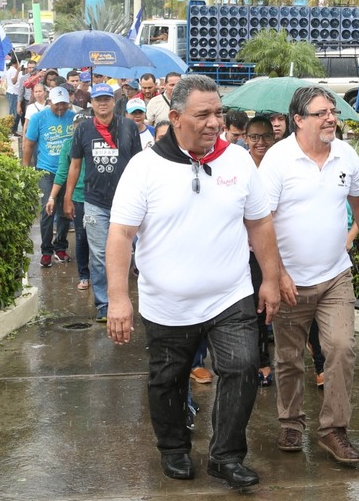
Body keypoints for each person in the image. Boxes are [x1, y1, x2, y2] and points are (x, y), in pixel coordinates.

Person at [105, 74, 281, 490]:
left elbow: (260, 224)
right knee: (168, 379)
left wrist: (270, 280)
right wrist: (118, 298)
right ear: (176, 118)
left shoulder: (238, 161)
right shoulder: (145, 167)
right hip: (167, 304)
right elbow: (121, 234)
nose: (214, 122)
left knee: (242, 368)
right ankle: (173, 448)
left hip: (230, 296)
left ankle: (226, 456)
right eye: (203, 115)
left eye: (218, 112)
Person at [259, 85, 359, 465]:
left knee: (341, 348)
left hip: (335, 277)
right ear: (298, 119)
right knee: (289, 357)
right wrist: (276, 274)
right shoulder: (278, 160)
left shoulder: (346, 154)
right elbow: (261, 222)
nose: (331, 118)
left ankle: (333, 429)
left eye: (333, 111)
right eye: (321, 113)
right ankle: (291, 422)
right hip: (290, 280)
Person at [64, 83, 141, 322]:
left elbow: (139, 164)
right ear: (92, 104)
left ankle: (124, 300)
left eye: (107, 99)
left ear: (113, 102)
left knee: (129, 253)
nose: (103, 103)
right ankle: (104, 305)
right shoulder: (83, 129)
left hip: (126, 201)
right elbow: (75, 165)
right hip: (94, 202)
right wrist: (67, 197)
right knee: (98, 255)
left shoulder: (128, 126)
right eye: (98, 100)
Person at [22, 86, 75, 268]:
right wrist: (26, 168)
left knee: (65, 209)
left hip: (67, 171)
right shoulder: (38, 118)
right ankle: (46, 250)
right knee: (47, 209)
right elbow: (29, 144)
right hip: (46, 170)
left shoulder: (73, 117)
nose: (60, 107)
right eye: (57, 104)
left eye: (64, 104)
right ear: (49, 101)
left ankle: (60, 246)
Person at [244, 115, 276, 386]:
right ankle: (262, 361)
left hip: (280, 245)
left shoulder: (282, 164)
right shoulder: (240, 166)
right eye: (254, 137)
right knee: (257, 307)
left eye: (266, 136)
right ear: (246, 139)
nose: (260, 142)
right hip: (248, 249)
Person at [45, 110, 92, 291]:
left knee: (101, 239)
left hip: (98, 197)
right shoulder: (68, 145)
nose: (81, 130)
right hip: (78, 197)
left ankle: (101, 275)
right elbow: (62, 172)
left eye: (84, 126)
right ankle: (84, 275)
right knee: (81, 237)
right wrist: (52, 197)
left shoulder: (97, 142)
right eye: (77, 126)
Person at [6, 59, 22, 135]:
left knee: (15, 112)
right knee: (13, 112)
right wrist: (18, 72)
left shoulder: (12, 70)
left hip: (15, 92)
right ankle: (11, 129)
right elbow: (14, 81)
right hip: (13, 93)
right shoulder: (13, 71)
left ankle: (13, 129)